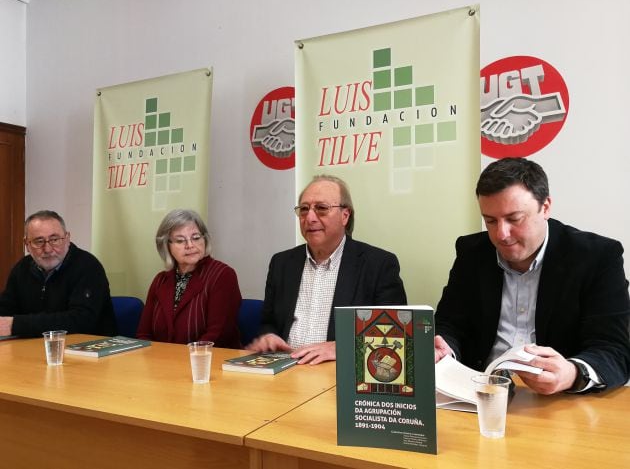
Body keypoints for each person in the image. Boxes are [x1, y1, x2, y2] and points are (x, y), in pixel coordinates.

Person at [434, 157, 630, 394]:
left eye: (514, 219)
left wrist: (572, 373)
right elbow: (450, 325)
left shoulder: (597, 257)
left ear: (545, 207)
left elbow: (614, 349)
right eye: (490, 221)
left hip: (560, 403)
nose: (501, 234)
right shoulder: (472, 252)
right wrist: (445, 349)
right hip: (480, 394)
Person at [247, 174, 407, 365]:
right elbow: (269, 321)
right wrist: (269, 336)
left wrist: (343, 347)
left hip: (342, 373)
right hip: (286, 370)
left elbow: (394, 336)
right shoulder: (282, 263)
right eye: (304, 209)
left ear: (345, 216)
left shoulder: (378, 265)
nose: (310, 218)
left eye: (321, 209)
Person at [0, 210, 116, 337]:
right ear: (27, 244)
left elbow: (81, 321)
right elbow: (6, 309)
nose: (48, 249)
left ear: (67, 239)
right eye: (39, 241)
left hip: (87, 348)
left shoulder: (88, 266)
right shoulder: (22, 268)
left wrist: (16, 325)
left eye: (54, 239)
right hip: (34, 347)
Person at [137, 209, 242, 347]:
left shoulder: (222, 275)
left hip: (206, 363)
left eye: (196, 238)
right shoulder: (160, 281)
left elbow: (217, 336)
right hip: (162, 363)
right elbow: (143, 334)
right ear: (166, 246)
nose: (190, 245)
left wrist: (180, 362)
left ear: (205, 239)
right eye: (180, 241)